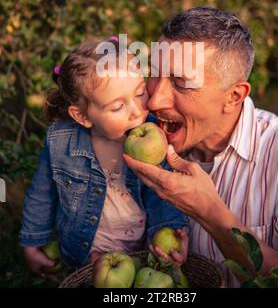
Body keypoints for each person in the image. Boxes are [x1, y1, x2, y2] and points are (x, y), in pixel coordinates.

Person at [123, 6, 278, 287]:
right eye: (154, 74)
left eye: (181, 83)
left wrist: (210, 213)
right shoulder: (135, 132)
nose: (155, 101)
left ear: (233, 96)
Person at [19, 38, 189, 274]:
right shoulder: (61, 141)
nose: (136, 111)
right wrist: (33, 241)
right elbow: (42, 192)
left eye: (140, 93)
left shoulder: (155, 134)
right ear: (82, 116)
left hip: (141, 250)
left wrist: (170, 231)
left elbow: (161, 192)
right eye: (118, 107)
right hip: (85, 250)